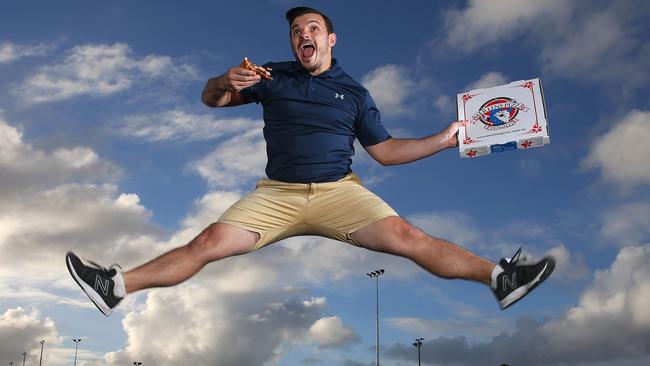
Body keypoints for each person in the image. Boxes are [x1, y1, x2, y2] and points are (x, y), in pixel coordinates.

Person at [66, 7, 554, 316]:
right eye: (297, 30)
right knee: (207, 243)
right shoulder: (270, 76)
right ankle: (116, 285)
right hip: (277, 195)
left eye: (313, 28)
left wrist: (444, 139)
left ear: (331, 39)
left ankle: (500, 277)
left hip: (340, 193)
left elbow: (385, 153)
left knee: (410, 238)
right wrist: (224, 80)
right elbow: (210, 100)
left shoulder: (356, 94)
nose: (303, 34)